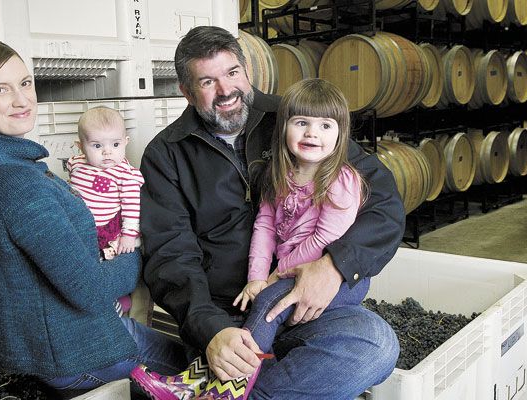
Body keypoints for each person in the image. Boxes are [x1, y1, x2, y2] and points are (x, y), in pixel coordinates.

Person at [136, 26, 405, 399]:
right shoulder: (166, 154)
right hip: (228, 316)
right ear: (185, 91)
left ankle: (215, 389)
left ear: (248, 70)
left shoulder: (296, 118)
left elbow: (383, 201)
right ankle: (237, 380)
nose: (226, 90)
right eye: (207, 81)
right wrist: (210, 329)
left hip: (308, 306)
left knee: (375, 344)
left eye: (232, 73)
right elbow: (170, 255)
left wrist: (335, 266)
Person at [0, 38, 187, 398]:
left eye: (25, 83)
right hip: (78, 351)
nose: (22, 99)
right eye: (1, 89)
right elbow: (90, 291)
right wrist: (136, 249)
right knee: (206, 366)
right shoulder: (13, 180)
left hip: (55, 342)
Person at [67, 106, 145, 315]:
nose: (107, 152)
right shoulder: (76, 164)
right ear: (80, 147)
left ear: (126, 142)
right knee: (81, 268)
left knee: (104, 269)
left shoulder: (126, 175)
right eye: (97, 145)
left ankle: (118, 303)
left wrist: (129, 235)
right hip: (82, 227)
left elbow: (132, 207)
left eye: (116, 144)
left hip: (108, 232)